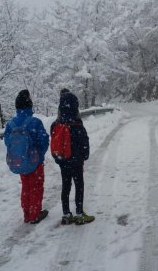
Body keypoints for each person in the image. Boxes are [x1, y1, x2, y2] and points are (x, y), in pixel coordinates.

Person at [4, 90, 49, 224]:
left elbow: (8, 142)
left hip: (20, 161)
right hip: (35, 162)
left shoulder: (11, 124)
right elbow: (44, 141)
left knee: (26, 186)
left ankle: (27, 214)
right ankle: (35, 214)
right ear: (30, 106)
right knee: (36, 186)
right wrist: (38, 155)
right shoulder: (35, 122)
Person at [51, 91, 94, 225]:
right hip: (76, 162)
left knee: (66, 186)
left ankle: (66, 214)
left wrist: (59, 159)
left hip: (63, 162)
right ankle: (79, 214)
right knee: (79, 185)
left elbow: (54, 142)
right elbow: (85, 145)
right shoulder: (77, 125)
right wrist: (84, 157)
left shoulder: (56, 124)